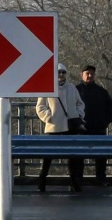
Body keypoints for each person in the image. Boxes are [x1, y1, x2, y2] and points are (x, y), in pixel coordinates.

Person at [35, 65, 86, 194]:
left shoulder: (72, 88)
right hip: (53, 127)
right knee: (47, 157)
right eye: (59, 72)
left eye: (63, 72)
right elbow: (40, 107)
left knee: (72, 157)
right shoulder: (48, 88)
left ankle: (73, 183)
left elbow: (80, 103)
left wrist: (79, 114)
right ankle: (42, 182)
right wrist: (49, 117)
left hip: (70, 126)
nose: (61, 75)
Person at [75, 66, 112, 188]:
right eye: (87, 73)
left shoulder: (101, 91)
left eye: (92, 73)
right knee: (78, 156)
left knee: (101, 155)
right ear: (82, 75)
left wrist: (105, 123)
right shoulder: (76, 91)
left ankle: (101, 179)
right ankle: (77, 179)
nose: (89, 76)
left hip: (98, 129)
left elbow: (109, 109)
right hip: (80, 129)